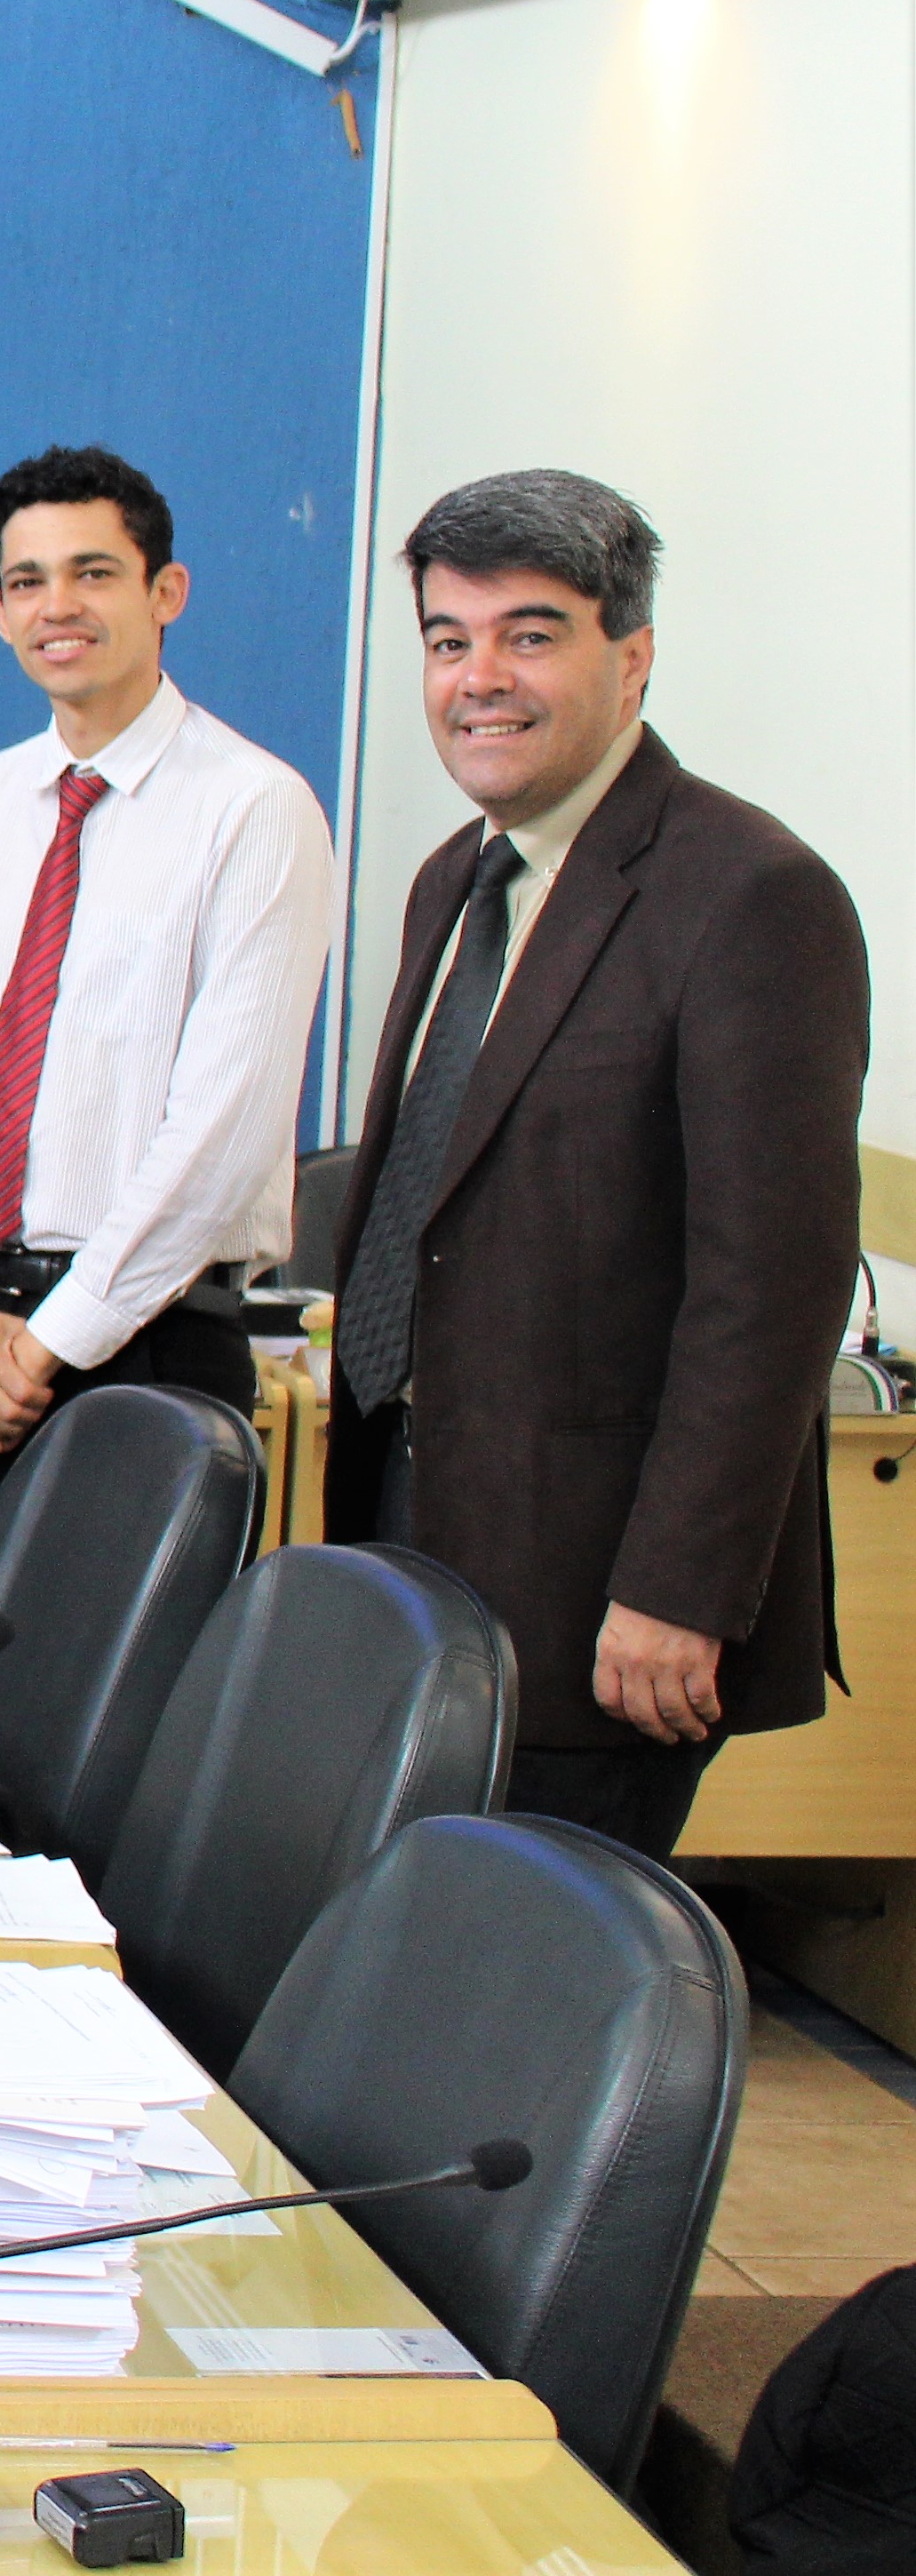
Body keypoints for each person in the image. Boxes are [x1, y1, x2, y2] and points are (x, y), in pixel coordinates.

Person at [325, 470, 862, 1854]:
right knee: (403, 1942)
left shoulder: (749, 892)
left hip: (602, 1593)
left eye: (531, 634)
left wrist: (682, 1584)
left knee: (523, 1958)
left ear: (632, 658)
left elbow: (772, 1287)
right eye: (449, 639)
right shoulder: (456, 875)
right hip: (415, 1519)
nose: (480, 678)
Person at [0, 448, 337, 1663]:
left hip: (144, 1345)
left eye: (93, 572)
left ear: (166, 590)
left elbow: (223, 1132)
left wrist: (48, 1343)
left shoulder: (254, 808)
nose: (56, 605)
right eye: (27, 581)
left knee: (115, 1736)